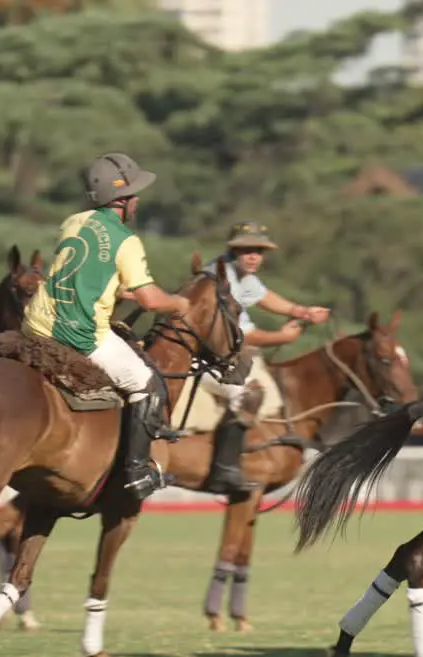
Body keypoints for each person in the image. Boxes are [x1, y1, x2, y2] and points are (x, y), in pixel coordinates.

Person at [21, 152, 191, 501]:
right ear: (124, 200)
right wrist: (180, 304)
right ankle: (136, 473)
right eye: (135, 194)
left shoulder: (73, 222)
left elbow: (86, 272)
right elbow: (151, 301)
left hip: (35, 326)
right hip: (80, 336)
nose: (138, 201)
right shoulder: (126, 240)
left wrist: (119, 290)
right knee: (147, 381)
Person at [198, 221, 330, 494]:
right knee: (246, 394)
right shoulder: (218, 279)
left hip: (229, 358)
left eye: (259, 250)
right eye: (247, 250)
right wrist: (279, 338)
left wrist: (301, 311)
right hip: (205, 360)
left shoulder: (241, 274)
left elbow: (263, 296)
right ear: (233, 251)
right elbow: (239, 336)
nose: (254, 256)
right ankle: (224, 470)